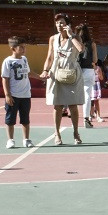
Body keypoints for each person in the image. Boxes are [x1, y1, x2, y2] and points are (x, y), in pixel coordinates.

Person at [39, 12, 85, 145]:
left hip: (71, 72)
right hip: (56, 72)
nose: (59, 25)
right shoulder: (53, 39)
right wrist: (45, 70)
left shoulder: (75, 38)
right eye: (57, 23)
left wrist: (71, 35)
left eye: (62, 23)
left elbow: (81, 49)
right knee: (57, 105)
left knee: (73, 104)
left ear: (68, 25)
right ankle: (57, 133)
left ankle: (76, 132)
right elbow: (49, 57)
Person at [0, 36, 34, 149]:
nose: (24, 49)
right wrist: (7, 95)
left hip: (25, 95)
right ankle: (10, 140)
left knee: (25, 118)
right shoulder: (7, 61)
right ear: (13, 48)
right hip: (13, 95)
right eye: (21, 47)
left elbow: (28, 73)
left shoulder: (24, 59)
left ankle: (26, 139)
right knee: (10, 119)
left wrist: (42, 77)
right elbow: (5, 78)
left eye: (25, 47)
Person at [76, 24, 97, 127]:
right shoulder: (92, 44)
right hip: (88, 70)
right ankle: (86, 118)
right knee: (87, 95)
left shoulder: (75, 42)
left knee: (73, 95)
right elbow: (95, 60)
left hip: (76, 70)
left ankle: (73, 118)